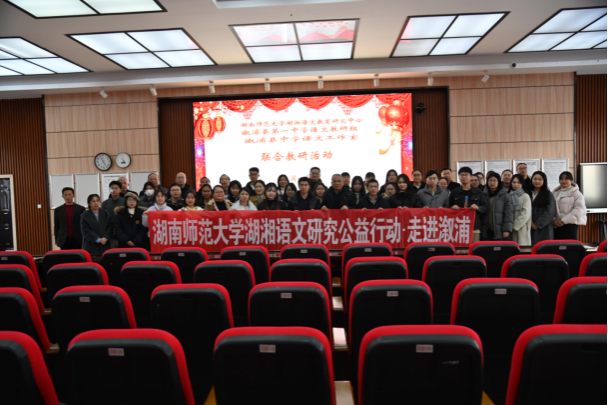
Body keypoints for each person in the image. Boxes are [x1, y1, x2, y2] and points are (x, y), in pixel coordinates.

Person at [449, 167, 488, 242]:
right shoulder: (454, 192)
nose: (464, 177)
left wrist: (478, 208)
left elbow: (485, 207)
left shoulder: (478, 192)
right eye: (461, 175)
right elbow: (448, 207)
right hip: (457, 227)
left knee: (474, 247)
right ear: (459, 177)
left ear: (470, 177)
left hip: (474, 227)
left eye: (466, 175)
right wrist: (452, 207)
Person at [553, 171, 587, 240]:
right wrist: (554, 220)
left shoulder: (577, 193)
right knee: (556, 245)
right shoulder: (555, 193)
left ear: (571, 180)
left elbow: (579, 210)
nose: (563, 181)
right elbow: (551, 208)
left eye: (566, 178)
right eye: (561, 179)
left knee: (570, 245)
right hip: (556, 225)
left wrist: (563, 221)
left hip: (570, 225)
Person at [483, 172, 514, 241]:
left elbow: (508, 214)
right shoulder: (484, 194)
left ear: (499, 182)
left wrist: (506, 229)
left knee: (498, 247)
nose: (492, 182)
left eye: (494, 180)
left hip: (499, 230)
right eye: (490, 180)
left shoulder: (505, 196)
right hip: (486, 229)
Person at [530, 171, 557, 245]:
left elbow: (550, 212)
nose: (537, 181)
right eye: (535, 179)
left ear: (544, 181)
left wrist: (538, 224)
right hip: (530, 226)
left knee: (543, 248)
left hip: (543, 227)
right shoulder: (528, 193)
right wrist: (530, 222)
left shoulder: (548, 194)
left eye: (540, 179)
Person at [509, 174, 532, 246]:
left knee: (522, 248)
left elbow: (526, 214)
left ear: (522, 184)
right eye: (514, 182)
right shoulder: (508, 196)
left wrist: (515, 226)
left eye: (519, 182)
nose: (516, 184)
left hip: (521, 227)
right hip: (509, 228)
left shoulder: (525, 196)